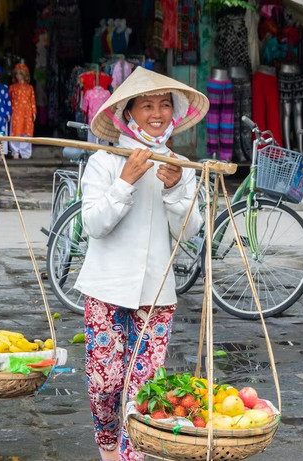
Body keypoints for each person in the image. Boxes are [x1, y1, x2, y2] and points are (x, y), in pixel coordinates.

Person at [74, 67, 208, 461]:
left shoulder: (179, 165)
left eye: (165, 105)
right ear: (128, 114)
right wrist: (125, 182)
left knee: (143, 389)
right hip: (105, 290)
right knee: (104, 382)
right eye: (147, 105)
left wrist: (175, 189)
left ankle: (133, 457)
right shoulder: (105, 161)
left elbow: (190, 231)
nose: (157, 113)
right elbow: (93, 225)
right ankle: (108, 445)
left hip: (156, 292)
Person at [8, 62, 35, 159]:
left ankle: (25, 152)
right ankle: (15, 151)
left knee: (26, 132)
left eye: (20, 73)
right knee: (16, 131)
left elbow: (32, 100)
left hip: (27, 112)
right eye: (17, 73)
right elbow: (9, 100)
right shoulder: (12, 87)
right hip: (16, 112)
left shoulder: (30, 88)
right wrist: (9, 112)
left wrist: (34, 112)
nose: (18, 76)